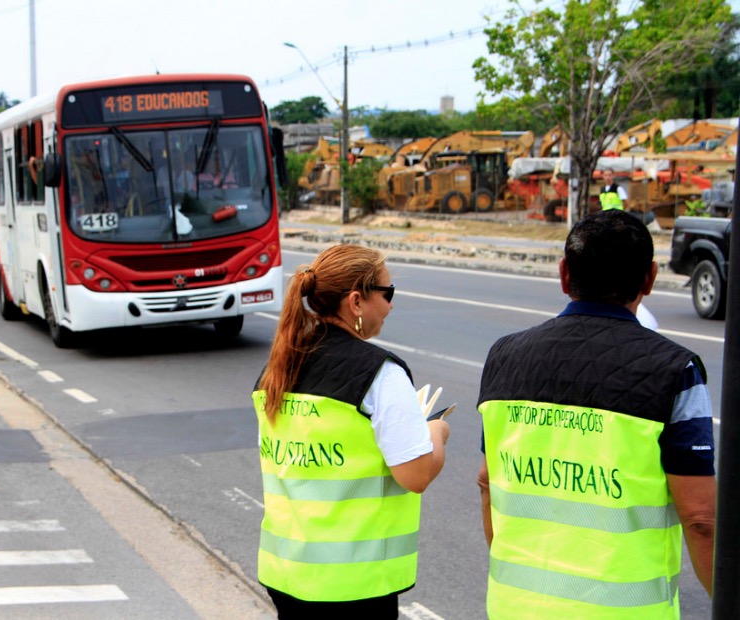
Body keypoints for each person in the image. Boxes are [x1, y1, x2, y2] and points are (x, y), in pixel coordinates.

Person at [476, 210, 716, 619]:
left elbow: (487, 482)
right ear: (650, 279)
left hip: (515, 606)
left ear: (565, 275)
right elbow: (700, 518)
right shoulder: (675, 371)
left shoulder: (504, 356)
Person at [252, 244, 450, 617]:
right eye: (387, 293)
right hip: (352, 588)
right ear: (357, 301)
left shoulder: (278, 367)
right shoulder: (380, 375)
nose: (391, 304)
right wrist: (436, 432)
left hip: (288, 574)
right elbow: (416, 474)